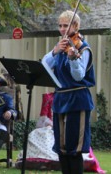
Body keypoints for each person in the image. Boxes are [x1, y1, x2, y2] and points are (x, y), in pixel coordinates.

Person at [41, 10, 95, 174]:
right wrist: (55, 51)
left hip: (77, 98)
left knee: (74, 148)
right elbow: (44, 64)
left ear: (76, 26)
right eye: (60, 26)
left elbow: (79, 76)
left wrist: (72, 59)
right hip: (60, 98)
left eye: (66, 25)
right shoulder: (60, 47)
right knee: (61, 147)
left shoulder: (83, 48)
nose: (63, 29)